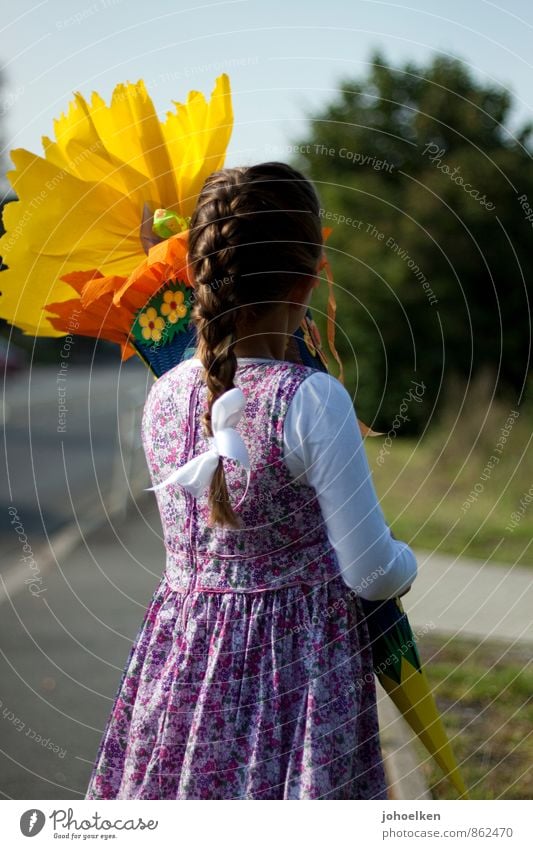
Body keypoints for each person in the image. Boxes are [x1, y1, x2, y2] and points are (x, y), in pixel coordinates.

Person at [85, 161, 417, 800]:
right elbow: (371, 573)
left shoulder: (163, 398)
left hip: (183, 667)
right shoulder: (312, 399)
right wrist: (407, 563)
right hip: (299, 682)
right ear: (307, 280)